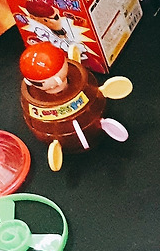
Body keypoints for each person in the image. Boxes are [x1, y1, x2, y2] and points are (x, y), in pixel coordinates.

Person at [18, 43, 132, 171]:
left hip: (97, 136)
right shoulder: (32, 98)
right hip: (68, 147)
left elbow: (94, 95)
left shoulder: (82, 79)